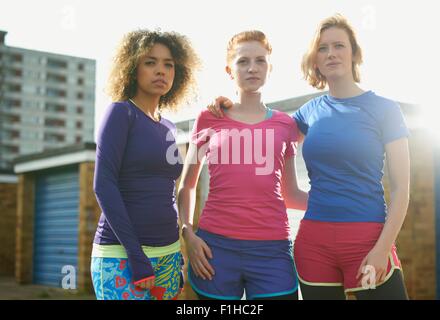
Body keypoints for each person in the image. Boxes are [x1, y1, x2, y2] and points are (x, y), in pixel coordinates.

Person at [209, 14, 410, 300]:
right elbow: (263, 135)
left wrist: (381, 249)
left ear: (354, 52)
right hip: (314, 246)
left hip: (368, 240)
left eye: (339, 45)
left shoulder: (385, 109)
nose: (331, 53)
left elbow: (402, 190)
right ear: (314, 59)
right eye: (322, 48)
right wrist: (227, 109)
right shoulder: (305, 114)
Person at [178, 30, 308, 300]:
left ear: (270, 68)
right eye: (243, 61)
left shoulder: (287, 125)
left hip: (272, 251)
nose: (252, 68)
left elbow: (291, 194)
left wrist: (340, 204)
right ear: (229, 70)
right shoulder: (208, 118)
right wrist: (187, 234)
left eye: (260, 61)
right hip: (215, 249)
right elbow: (187, 186)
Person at [91, 29, 200, 300]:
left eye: (168, 64)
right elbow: (103, 186)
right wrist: (136, 255)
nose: (160, 71)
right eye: (150, 62)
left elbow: (168, 190)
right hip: (122, 256)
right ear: (132, 68)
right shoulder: (120, 113)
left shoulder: (168, 126)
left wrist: (176, 253)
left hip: (169, 255)